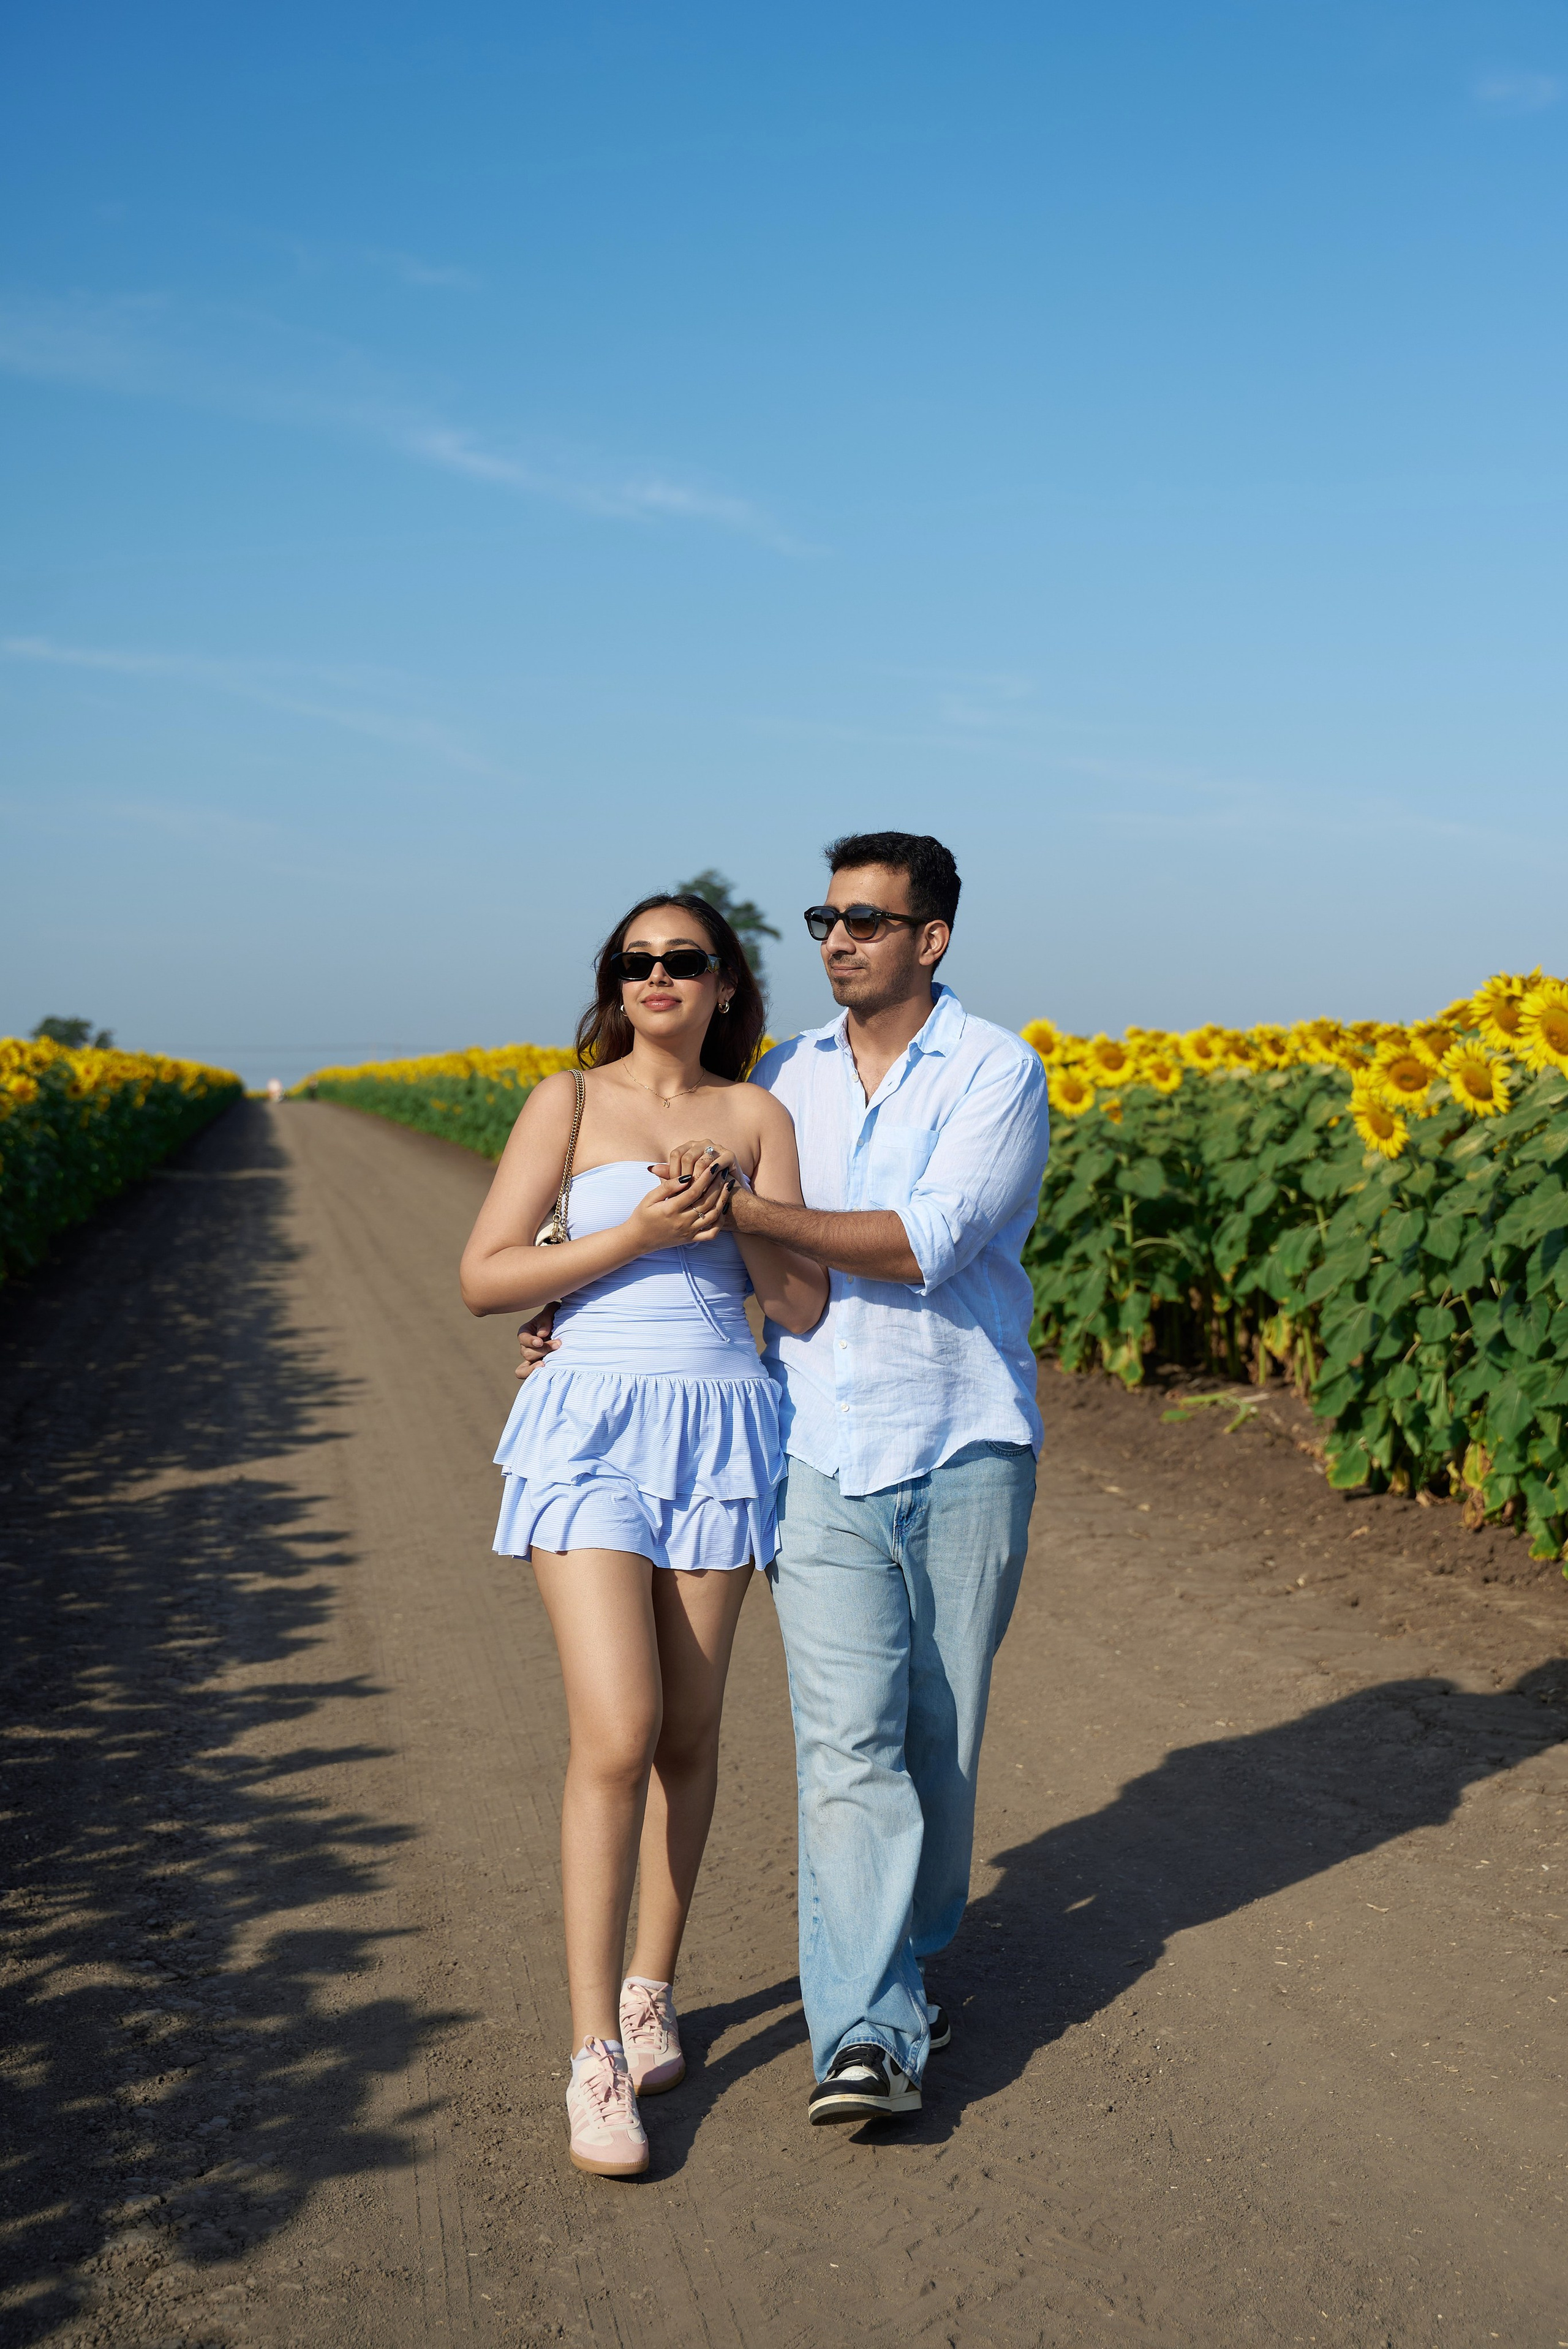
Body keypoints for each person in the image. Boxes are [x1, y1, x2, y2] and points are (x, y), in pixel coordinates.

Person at [576, 831, 1050, 2126]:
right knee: (845, 1748)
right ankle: (865, 2032)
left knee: (935, 1746)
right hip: (815, 1444)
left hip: (962, 1443)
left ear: (928, 940)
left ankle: (902, 1948)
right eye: (824, 918)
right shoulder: (781, 1081)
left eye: (864, 921)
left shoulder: (997, 1072)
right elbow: (695, 1250)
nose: (835, 939)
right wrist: (574, 1298)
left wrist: (737, 1205)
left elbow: (924, 1245)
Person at [462, 892, 826, 2178]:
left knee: (687, 1729)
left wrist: (736, 1217)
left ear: (727, 983)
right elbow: (485, 1271)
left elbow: (801, 1304)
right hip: (587, 1423)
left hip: (723, 1424)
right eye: (637, 961)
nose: (658, 976)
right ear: (614, 981)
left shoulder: (758, 1118)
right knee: (614, 1729)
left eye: (685, 960)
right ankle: (589, 2059)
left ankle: (648, 1988)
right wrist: (627, 1235)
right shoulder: (563, 1103)